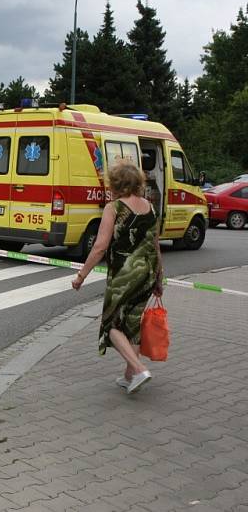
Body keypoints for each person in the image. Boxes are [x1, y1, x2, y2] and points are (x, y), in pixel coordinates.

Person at [72, 161, 163, 394]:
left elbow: (100, 246)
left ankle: (140, 369)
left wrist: (81, 276)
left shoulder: (114, 208)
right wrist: (159, 278)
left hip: (124, 274)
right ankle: (129, 376)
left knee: (111, 324)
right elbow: (155, 245)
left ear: (116, 183)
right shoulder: (150, 208)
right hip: (148, 273)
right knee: (132, 324)